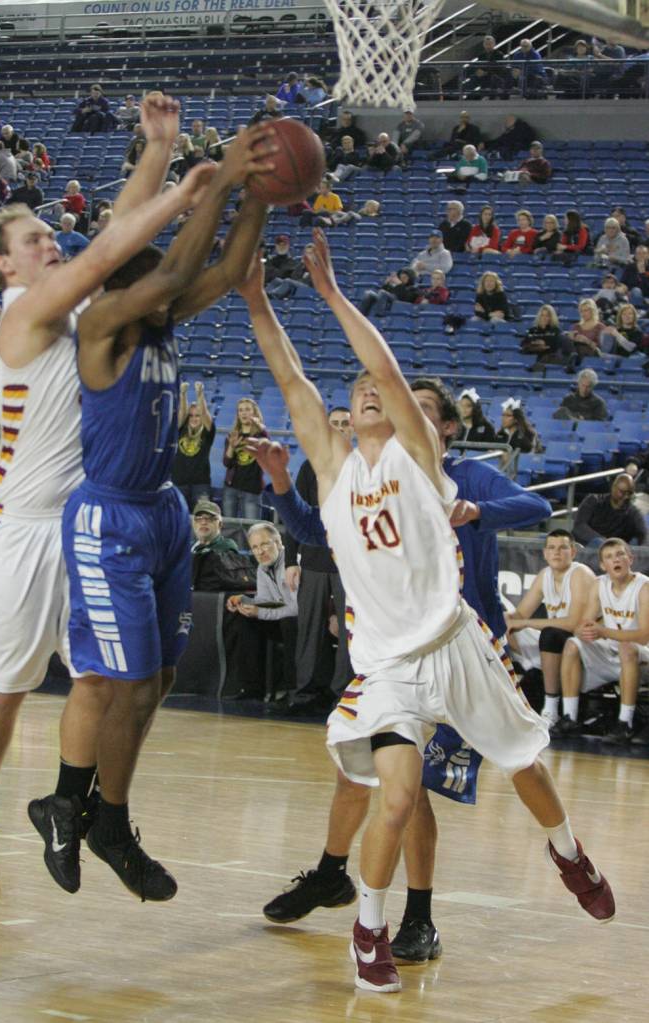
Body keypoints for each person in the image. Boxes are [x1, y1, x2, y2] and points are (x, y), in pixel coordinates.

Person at [236, 228, 612, 994]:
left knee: (526, 768)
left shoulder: (418, 455)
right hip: (388, 665)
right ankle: (368, 926)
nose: (365, 392)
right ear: (342, 416)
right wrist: (254, 298)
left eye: (377, 391)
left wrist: (335, 296)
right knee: (397, 796)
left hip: (454, 640)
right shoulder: (333, 471)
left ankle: (567, 851)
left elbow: (387, 370)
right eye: (355, 393)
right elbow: (290, 374)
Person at [0, 96, 271, 911]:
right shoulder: (24, 317)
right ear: (6, 267)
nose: (50, 244)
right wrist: (198, 187)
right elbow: (111, 259)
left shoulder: (91, 314)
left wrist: (159, 151)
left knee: (101, 677)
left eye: (51, 236)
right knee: (8, 684)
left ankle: (74, 808)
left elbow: (120, 242)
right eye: (34, 241)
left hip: (93, 520)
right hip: (23, 527)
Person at [250, 377, 551, 953]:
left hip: (464, 652)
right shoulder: (381, 477)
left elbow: (536, 504)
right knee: (357, 773)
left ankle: (418, 917)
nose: (404, 413)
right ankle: (332, 872)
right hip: (395, 655)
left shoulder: (467, 473)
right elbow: (317, 530)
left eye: (421, 409)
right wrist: (283, 485)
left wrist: (475, 511)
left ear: (444, 429)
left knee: (412, 793)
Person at [281, 407, 354, 714]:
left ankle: (344, 694)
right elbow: (294, 514)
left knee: (352, 634)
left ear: (353, 429)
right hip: (312, 560)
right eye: (334, 423)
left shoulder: (363, 466)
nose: (339, 428)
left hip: (351, 566)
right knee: (309, 630)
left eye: (344, 424)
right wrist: (289, 560)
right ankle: (306, 692)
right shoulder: (311, 466)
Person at [556, 538, 649, 746]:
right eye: (609, 557)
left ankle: (625, 722)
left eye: (620, 555)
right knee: (572, 644)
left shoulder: (644, 587)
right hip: (611, 650)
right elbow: (584, 624)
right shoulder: (599, 584)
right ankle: (570, 716)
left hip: (641, 654)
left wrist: (603, 631)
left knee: (627, 648)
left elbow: (644, 636)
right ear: (602, 565)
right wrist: (585, 631)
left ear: (630, 559)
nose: (616, 560)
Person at [506, 530, 596, 728]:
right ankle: (518, 685)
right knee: (503, 625)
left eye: (563, 548)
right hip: (556, 643)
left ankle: (551, 708)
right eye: (551, 548)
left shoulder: (580, 573)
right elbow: (520, 615)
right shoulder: (544, 575)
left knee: (550, 634)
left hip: (587, 642)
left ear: (573, 552)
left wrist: (524, 623)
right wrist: (506, 620)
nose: (557, 552)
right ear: (545, 553)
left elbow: (574, 624)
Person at [224, 522, 299, 700]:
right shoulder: (262, 568)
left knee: (289, 623)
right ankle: (252, 688)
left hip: (302, 623)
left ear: (278, 542)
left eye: (264, 544)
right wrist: (244, 600)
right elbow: (266, 601)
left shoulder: (294, 563)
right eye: (254, 547)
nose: (260, 552)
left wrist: (261, 612)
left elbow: (297, 609)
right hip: (282, 619)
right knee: (244, 618)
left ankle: (293, 691)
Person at [172, 380, 215, 509]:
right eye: (191, 416)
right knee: (179, 517)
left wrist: (200, 394)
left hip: (201, 484)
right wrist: (183, 394)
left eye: (197, 416)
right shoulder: (181, 429)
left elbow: (204, 414)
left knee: (202, 516)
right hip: (179, 481)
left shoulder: (208, 432)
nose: (194, 418)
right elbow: (182, 413)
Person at [223, 397, 268, 519]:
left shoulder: (260, 436)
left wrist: (261, 429)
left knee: (252, 530)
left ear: (254, 412)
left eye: (247, 409)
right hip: (231, 488)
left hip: (252, 490)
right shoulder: (233, 435)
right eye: (240, 410)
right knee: (229, 527)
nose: (243, 413)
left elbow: (266, 456)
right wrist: (231, 447)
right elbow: (227, 463)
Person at [573, 473, 647, 548]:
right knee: (597, 543)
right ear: (613, 488)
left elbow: (643, 534)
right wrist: (604, 542)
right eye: (622, 492)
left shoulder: (632, 512)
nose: (626, 497)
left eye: (629, 493)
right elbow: (579, 526)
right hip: (586, 547)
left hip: (613, 551)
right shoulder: (593, 501)